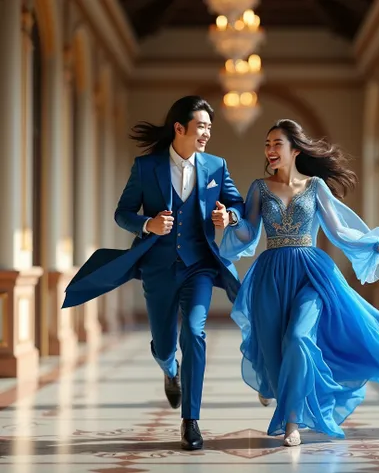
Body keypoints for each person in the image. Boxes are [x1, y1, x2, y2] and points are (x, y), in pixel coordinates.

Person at [62, 96, 244, 451]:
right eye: (201, 126)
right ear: (180, 128)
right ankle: (168, 368)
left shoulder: (216, 166)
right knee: (164, 344)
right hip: (158, 268)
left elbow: (235, 203)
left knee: (194, 332)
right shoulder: (146, 168)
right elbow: (122, 213)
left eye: (210, 127)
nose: (207, 132)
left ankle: (191, 421)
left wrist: (230, 217)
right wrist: (149, 223)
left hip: (200, 266)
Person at [220, 119, 379, 447]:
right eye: (267, 144)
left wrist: (376, 245)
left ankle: (291, 422)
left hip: (312, 273)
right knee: (273, 345)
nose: (270, 150)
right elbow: (249, 234)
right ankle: (273, 384)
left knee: (297, 337)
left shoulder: (316, 186)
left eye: (276, 143)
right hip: (271, 274)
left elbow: (337, 231)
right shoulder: (259, 188)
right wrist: (233, 220)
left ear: (295, 149)